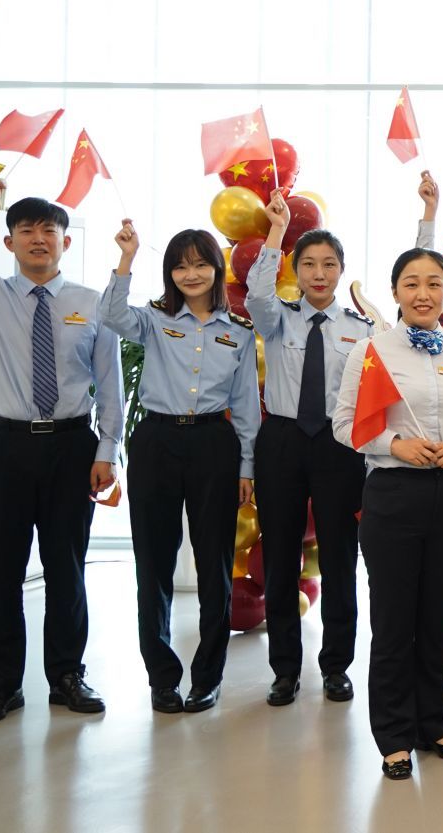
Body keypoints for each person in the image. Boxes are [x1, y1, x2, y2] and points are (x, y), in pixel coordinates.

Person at [246, 175, 437, 706]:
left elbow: (415, 305)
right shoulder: (277, 319)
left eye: (329, 264)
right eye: (308, 264)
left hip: (339, 445)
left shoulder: (362, 327)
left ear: (341, 271)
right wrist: (277, 231)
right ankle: (285, 670)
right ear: (295, 270)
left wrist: (427, 219)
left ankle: (336, 666)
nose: (319, 273)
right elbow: (257, 292)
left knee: (338, 558)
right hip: (282, 441)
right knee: (281, 558)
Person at [0, 185, 120, 727]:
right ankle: (3, 686)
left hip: (72, 446)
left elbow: (109, 384)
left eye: (50, 230)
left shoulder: (91, 303)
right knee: (1, 569)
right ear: (10, 242)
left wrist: (107, 448)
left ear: (65, 242)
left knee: (67, 567)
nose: (39, 238)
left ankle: (67, 676)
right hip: (2, 446)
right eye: (26, 230)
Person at [332, 247, 443, 780]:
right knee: (393, 621)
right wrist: (393, 444)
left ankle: (433, 725)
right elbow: (344, 424)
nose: (423, 294)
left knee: (435, 621)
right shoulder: (372, 350)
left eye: (433, 283)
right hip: (393, 494)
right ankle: (394, 736)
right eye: (411, 283)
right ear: (396, 292)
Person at [103, 222, 261, 715]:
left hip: (214, 443)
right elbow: (110, 314)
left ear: (216, 269)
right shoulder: (154, 319)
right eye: (180, 266)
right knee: (153, 561)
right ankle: (162, 678)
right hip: (156, 441)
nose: (190, 274)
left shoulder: (237, 332)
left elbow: (246, 405)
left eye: (200, 264)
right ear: (169, 273)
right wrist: (127, 257)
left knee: (214, 563)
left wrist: (247, 466)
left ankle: (207, 678)